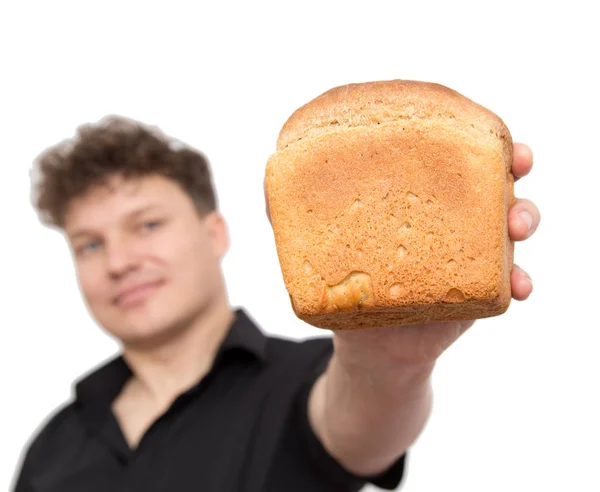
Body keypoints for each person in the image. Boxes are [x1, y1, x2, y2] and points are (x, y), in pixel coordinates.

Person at [13, 115, 540, 492]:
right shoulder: (53, 445)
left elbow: (356, 429)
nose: (119, 260)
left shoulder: (311, 376)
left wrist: (389, 358)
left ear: (215, 234)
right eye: (90, 244)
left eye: (147, 225)